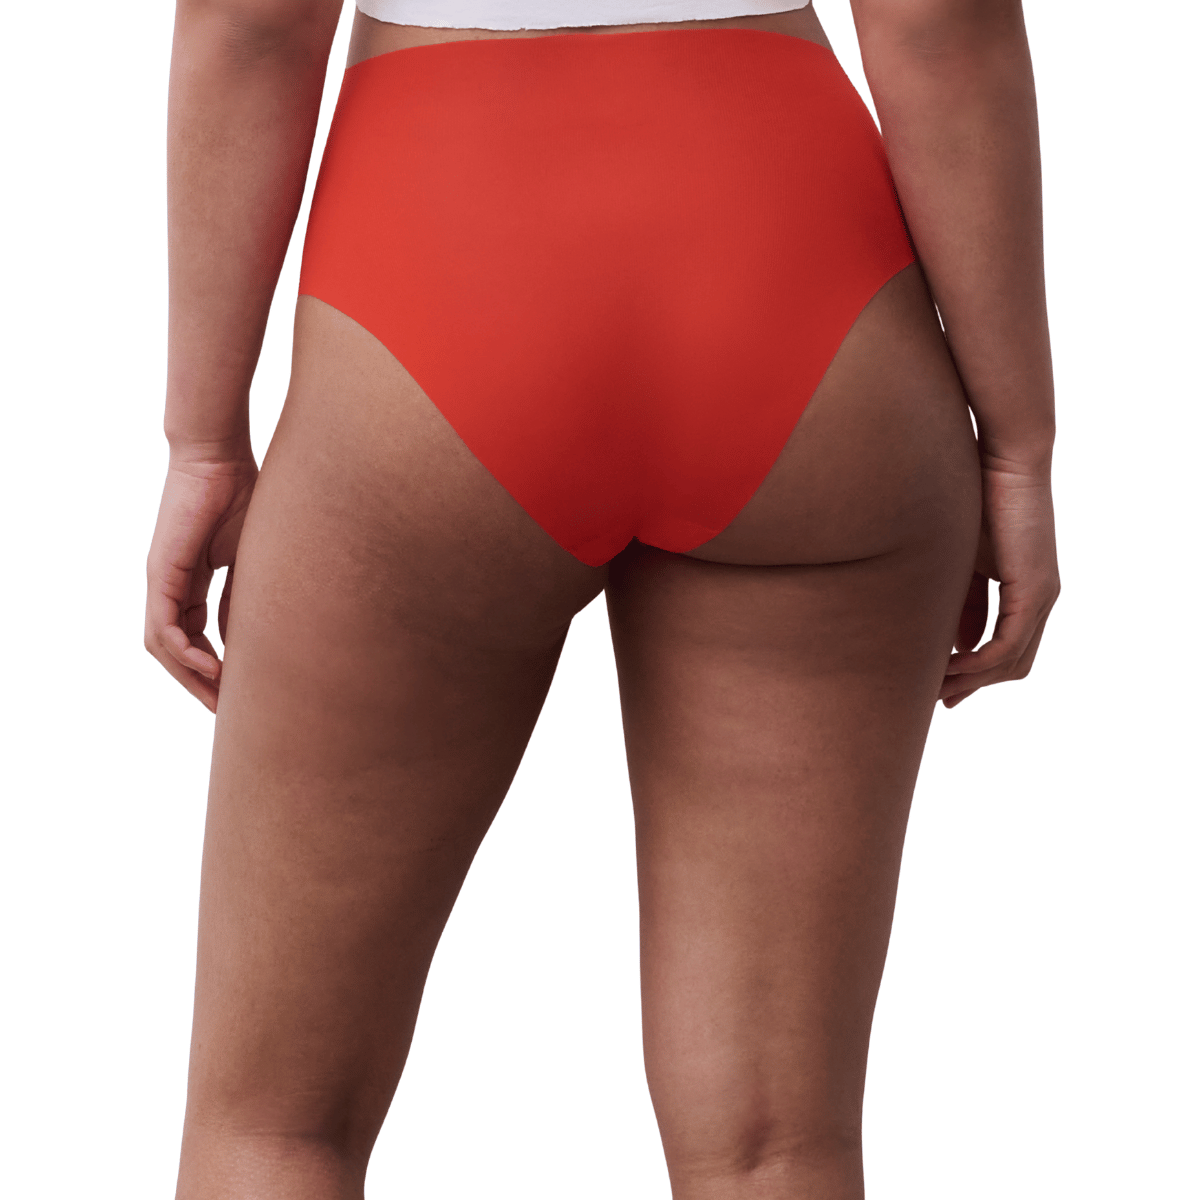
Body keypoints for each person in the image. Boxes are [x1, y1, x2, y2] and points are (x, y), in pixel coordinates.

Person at [145, 0, 1059, 1194]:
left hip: (438, 276)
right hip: (798, 282)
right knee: (774, 1146)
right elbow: (940, 28)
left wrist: (203, 440)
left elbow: (251, 28)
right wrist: (1019, 445)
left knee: (276, 1125)